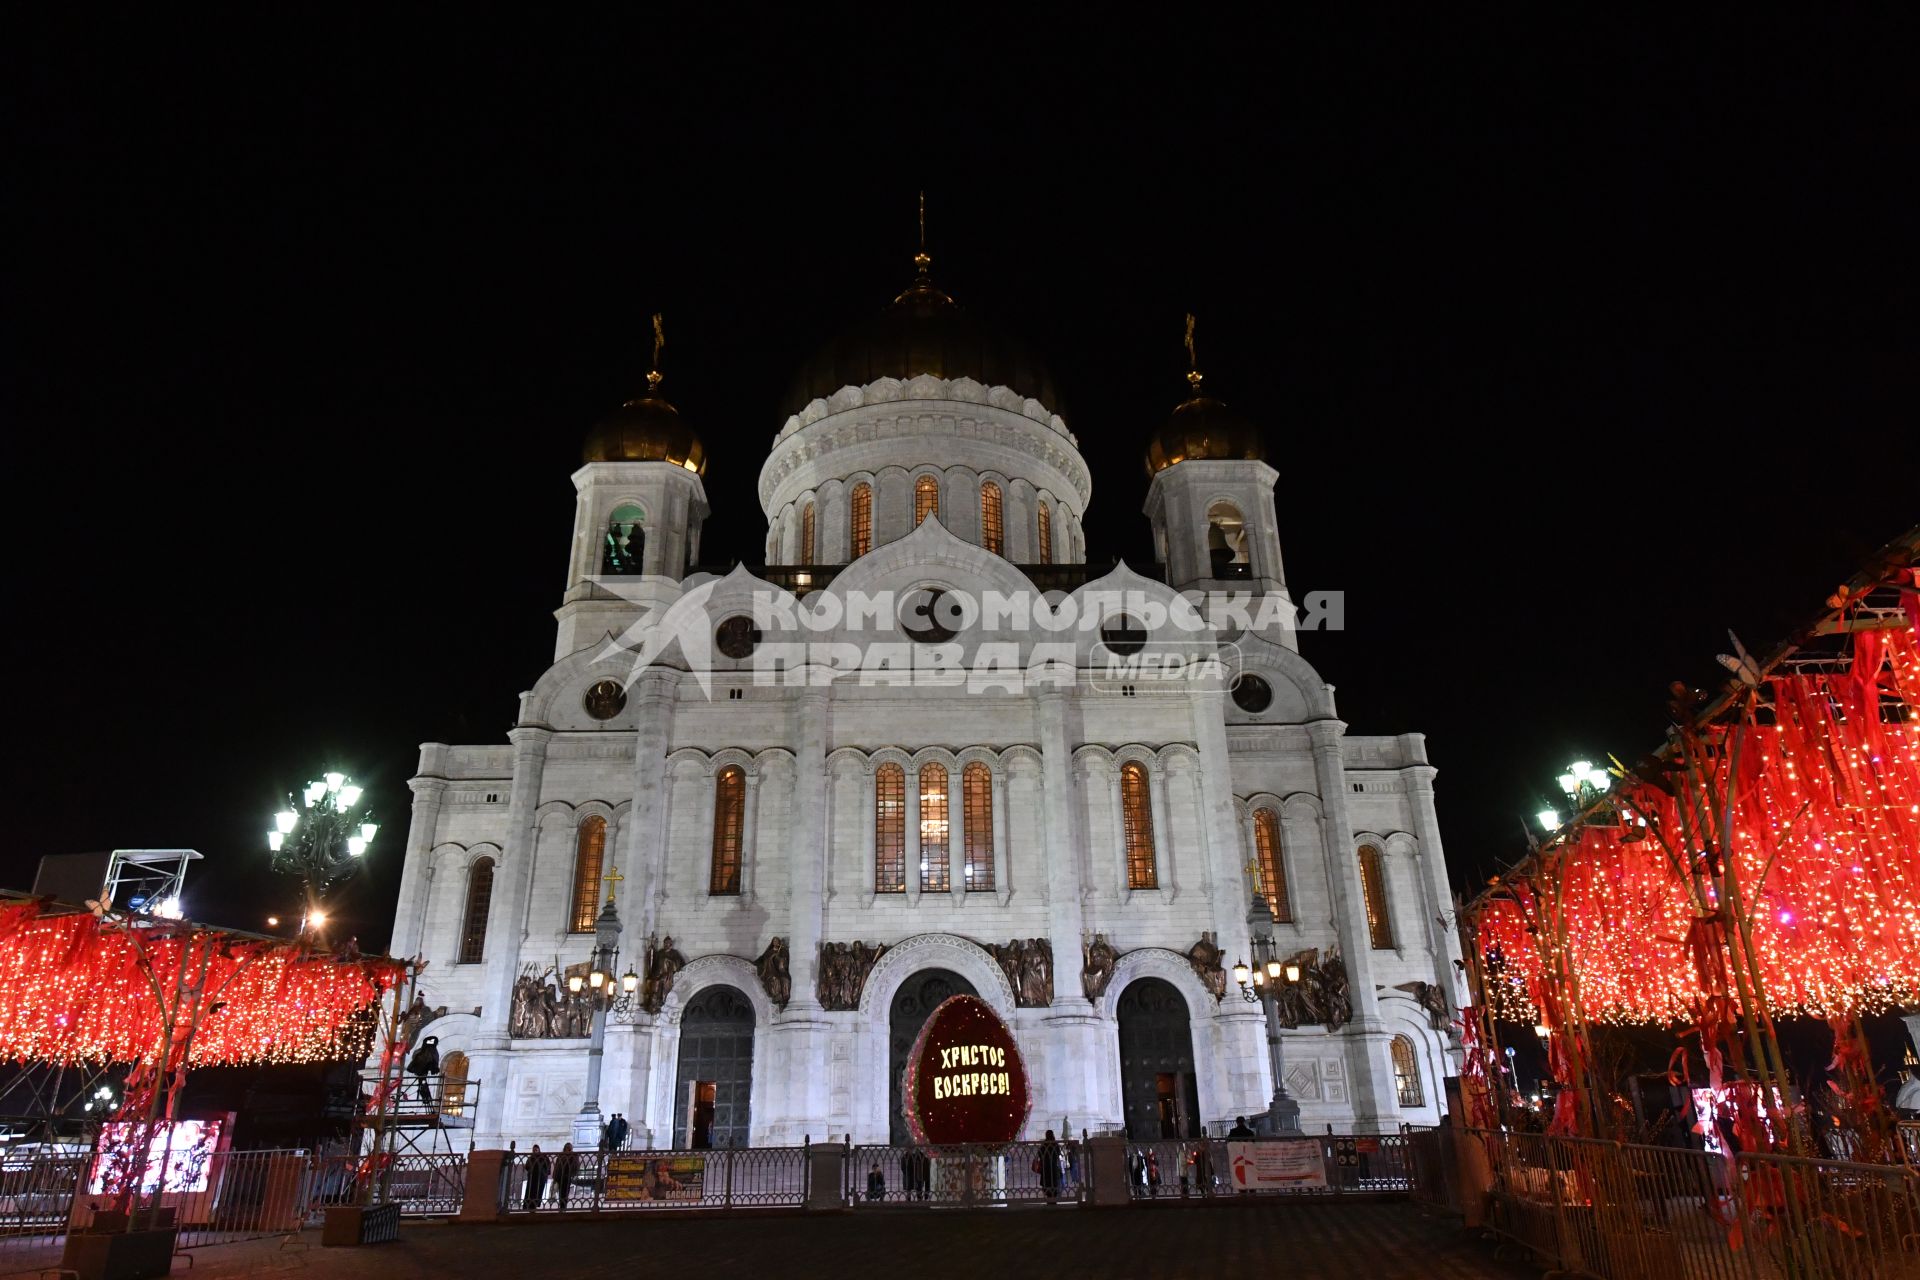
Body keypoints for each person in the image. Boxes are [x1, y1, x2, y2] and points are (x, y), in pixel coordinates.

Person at [1037, 1130, 1062, 1202]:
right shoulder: (1055, 1144)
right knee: (1053, 1183)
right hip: (1053, 1166)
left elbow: (1040, 1154)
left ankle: (1049, 1199)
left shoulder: (1044, 1144)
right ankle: (1054, 1199)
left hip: (1045, 1167)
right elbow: (1058, 1154)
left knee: (1047, 1183)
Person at [524, 1144, 550, 1211]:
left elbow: (547, 1167)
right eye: (534, 1150)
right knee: (531, 1192)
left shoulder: (543, 1157)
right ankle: (529, 1206)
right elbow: (527, 1166)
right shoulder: (531, 1158)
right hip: (532, 1178)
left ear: (539, 1150)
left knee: (537, 1192)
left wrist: (545, 1175)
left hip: (540, 1178)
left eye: (536, 1150)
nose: (535, 1151)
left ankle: (534, 1206)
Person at [553, 1143, 578, 1211]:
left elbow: (575, 1165)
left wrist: (573, 1174)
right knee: (561, 1192)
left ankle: (563, 1207)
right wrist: (555, 1176)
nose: (568, 1149)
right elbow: (557, 1166)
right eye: (567, 1148)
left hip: (567, 1176)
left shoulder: (573, 1155)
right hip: (560, 1176)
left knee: (565, 1192)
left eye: (569, 1148)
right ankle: (562, 1206)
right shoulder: (561, 1155)